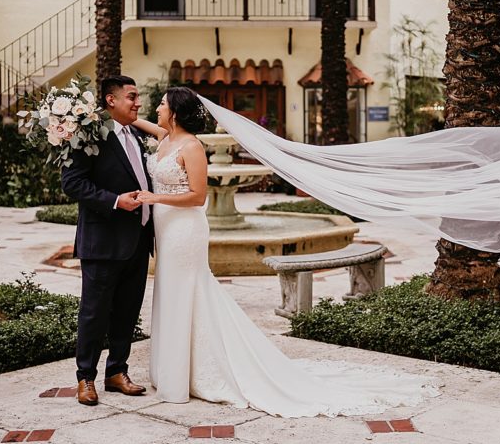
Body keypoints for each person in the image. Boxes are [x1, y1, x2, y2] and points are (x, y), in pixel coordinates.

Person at [133, 87, 437, 417]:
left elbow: (197, 196)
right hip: (165, 229)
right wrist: (115, 115)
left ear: (175, 112)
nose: (157, 108)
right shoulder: (166, 137)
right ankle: (175, 369)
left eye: (162, 104)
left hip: (184, 230)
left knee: (186, 292)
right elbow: (142, 124)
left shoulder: (192, 146)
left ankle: (189, 374)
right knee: (170, 292)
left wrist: (155, 199)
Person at [60, 75, 154, 406]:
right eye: (132, 97)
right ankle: (85, 378)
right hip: (103, 240)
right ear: (111, 100)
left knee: (128, 311)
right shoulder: (87, 134)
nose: (138, 102)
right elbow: (72, 183)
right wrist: (116, 201)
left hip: (139, 239)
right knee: (94, 313)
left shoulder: (138, 135)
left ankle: (117, 372)